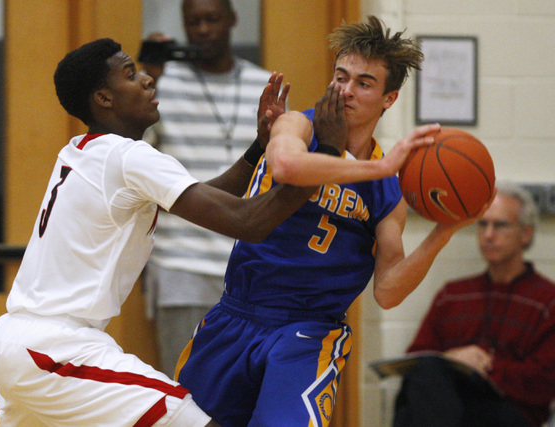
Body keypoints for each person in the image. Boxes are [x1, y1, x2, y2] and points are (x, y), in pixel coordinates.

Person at [0, 38, 320, 427]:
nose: (147, 80)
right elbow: (249, 223)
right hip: (55, 349)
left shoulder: (83, 150)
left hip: (20, 343)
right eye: (130, 74)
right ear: (104, 98)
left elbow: (207, 196)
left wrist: (258, 149)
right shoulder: (127, 157)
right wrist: (320, 163)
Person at [175, 16, 490, 426]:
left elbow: (389, 291)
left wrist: (444, 231)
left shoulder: (388, 192)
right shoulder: (300, 125)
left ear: (389, 99)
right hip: (237, 313)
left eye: (363, 83)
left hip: (307, 331)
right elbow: (286, 164)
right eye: (341, 76)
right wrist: (377, 169)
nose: (345, 90)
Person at [139, 0, 275, 377]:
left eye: (211, 19)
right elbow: (135, 159)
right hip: (181, 264)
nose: (202, 30)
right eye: (193, 22)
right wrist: (149, 77)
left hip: (250, 264)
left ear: (232, 19)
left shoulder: (260, 86)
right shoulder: (161, 85)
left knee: (245, 391)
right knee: (184, 390)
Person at [393, 182, 555, 427]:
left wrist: (485, 366)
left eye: (500, 225)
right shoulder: (453, 294)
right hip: (448, 405)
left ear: (526, 233)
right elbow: (416, 358)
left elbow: (543, 383)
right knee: (420, 379)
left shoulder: (547, 301)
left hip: (509, 412)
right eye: (482, 224)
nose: (488, 235)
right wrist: (453, 359)